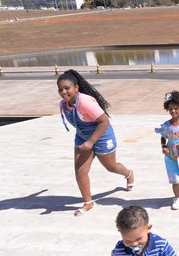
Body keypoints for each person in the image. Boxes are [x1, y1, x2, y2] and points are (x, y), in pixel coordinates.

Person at [57, 69, 134, 216]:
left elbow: (104, 121)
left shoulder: (85, 102)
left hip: (102, 134)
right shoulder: (64, 104)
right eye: (60, 89)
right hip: (82, 136)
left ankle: (129, 173)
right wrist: (85, 141)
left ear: (76, 88)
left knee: (111, 167)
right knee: (80, 171)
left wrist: (91, 142)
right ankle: (88, 202)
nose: (63, 92)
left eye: (67, 88)